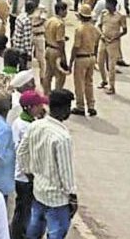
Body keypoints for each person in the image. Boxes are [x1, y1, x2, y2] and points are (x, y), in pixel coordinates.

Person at [18, 89, 78, 239]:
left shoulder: (35, 126)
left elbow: (21, 152)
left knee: (34, 230)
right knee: (56, 233)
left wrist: (29, 173)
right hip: (58, 198)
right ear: (64, 109)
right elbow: (66, 172)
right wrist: (72, 196)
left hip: (38, 190)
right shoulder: (63, 138)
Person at [11, 89, 48, 238]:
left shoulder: (21, 122)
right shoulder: (27, 127)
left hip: (22, 175)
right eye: (38, 105)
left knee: (22, 210)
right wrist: (31, 175)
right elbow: (25, 153)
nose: (41, 108)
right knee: (24, 212)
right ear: (29, 107)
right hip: (26, 176)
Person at [71, 4, 99, 116]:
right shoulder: (94, 28)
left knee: (79, 83)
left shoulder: (80, 29)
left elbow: (76, 46)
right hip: (91, 56)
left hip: (81, 57)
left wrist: (71, 61)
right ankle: (91, 105)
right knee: (89, 82)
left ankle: (80, 106)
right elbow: (97, 42)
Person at [96, 0, 125, 96]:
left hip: (113, 42)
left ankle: (112, 86)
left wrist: (116, 36)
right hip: (103, 40)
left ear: (113, 5)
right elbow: (99, 26)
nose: (106, 6)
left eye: (108, 4)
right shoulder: (104, 14)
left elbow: (124, 30)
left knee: (111, 65)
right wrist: (102, 35)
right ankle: (104, 80)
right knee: (100, 62)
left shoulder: (120, 16)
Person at [43, 2, 70, 95]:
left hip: (48, 48)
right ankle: (57, 95)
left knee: (48, 73)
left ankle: (46, 93)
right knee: (60, 75)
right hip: (56, 51)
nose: (66, 12)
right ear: (61, 11)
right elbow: (59, 41)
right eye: (65, 10)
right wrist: (63, 56)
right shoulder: (60, 24)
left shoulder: (49, 20)